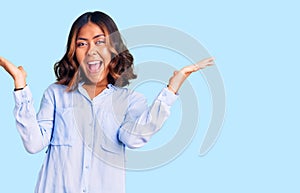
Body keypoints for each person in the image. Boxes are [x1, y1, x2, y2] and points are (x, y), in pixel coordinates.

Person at [0, 11, 214, 193]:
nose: (91, 50)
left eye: (100, 41)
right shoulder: (56, 94)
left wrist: (171, 89)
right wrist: (20, 86)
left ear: (114, 49)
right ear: (74, 53)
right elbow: (33, 143)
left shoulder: (130, 101)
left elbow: (133, 138)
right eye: (82, 44)